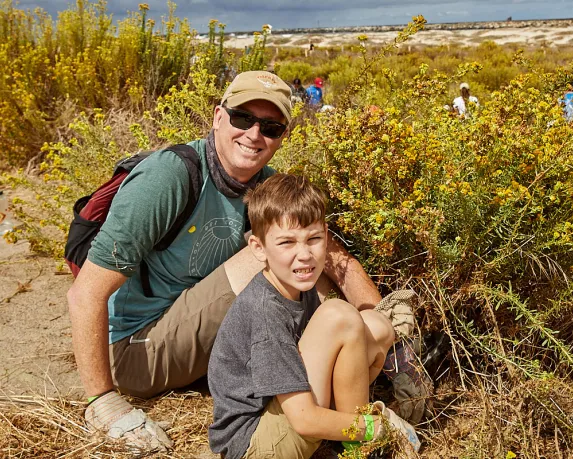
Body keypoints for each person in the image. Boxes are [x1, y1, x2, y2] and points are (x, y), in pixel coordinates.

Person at [66, 71, 400, 452]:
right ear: (217, 116)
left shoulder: (263, 184)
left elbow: (335, 259)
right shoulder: (170, 177)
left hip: (196, 335)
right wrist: (103, 402)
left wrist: (379, 318)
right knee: (279, 254)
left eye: (270, 127)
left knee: (301, 248)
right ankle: (340, 405)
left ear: (282, 137)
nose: (254, 135)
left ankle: (348, 398)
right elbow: (85, 294)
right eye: (243, 118)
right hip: (136, 352)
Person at [208, 174, 420, 458]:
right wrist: (377, 427)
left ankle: (350, 439)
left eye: (314, 239)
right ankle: (361, 444)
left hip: (287, 414)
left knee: (376, 326)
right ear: (259, 249)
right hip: (256, 444)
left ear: (326, 235)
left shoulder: (296, 285)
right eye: (287, 243)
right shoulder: (263, 309)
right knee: (339, 316)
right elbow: (304, 420)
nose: (304, 254)